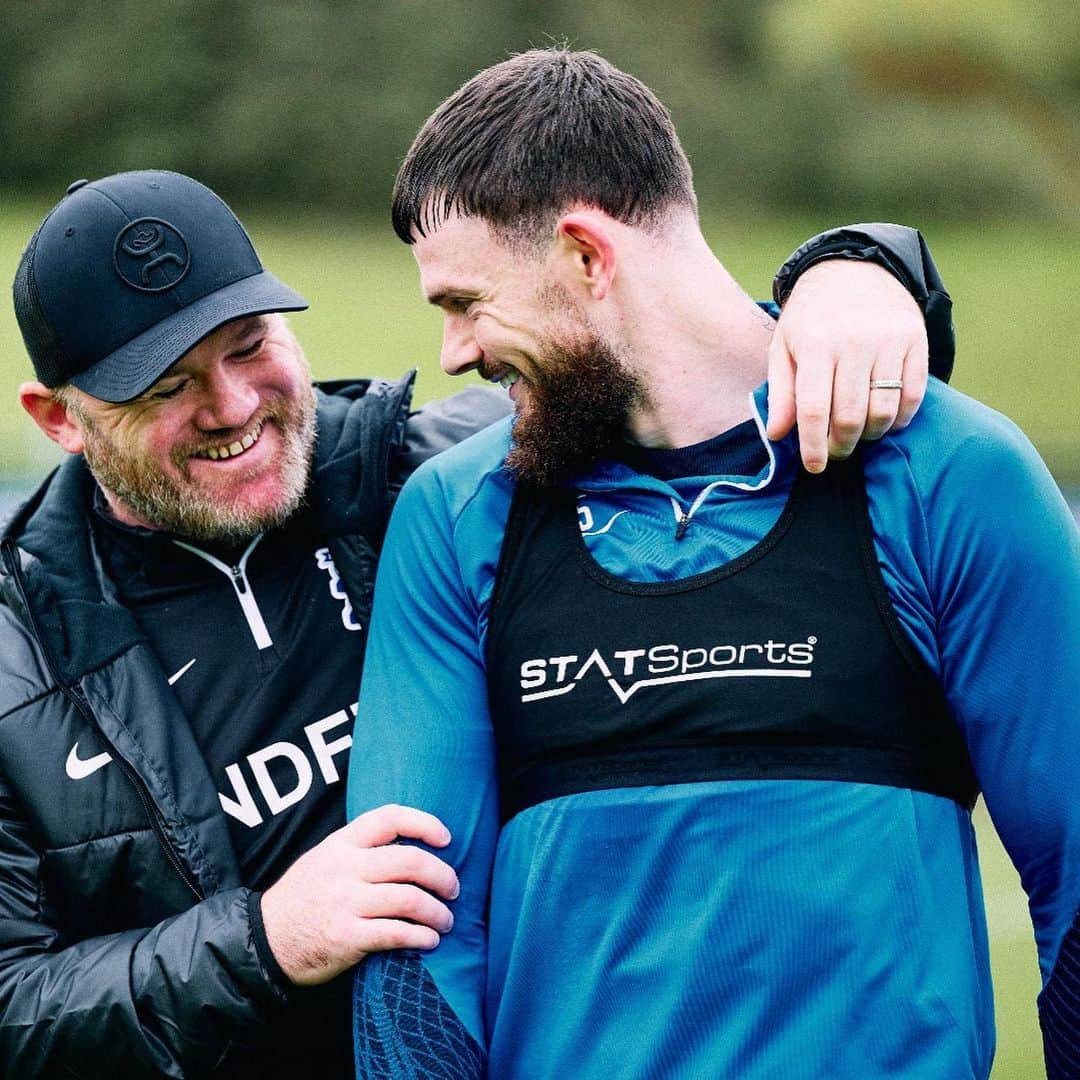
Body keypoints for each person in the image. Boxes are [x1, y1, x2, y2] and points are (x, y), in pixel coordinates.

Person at [0, 169, 943, 1079]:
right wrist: (265, 939)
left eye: (248, 345)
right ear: (59, 418)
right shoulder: (16, 660)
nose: (234, 405)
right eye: (166, 387)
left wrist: (862, 270)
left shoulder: (459, 479)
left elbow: (687, 348)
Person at [346, 49, 1080, 1080]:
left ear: (586, 257)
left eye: (465, 300)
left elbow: (1078, 880)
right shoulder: (458, 518)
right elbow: (413, 951)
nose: (457, 351)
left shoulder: (952, 476)